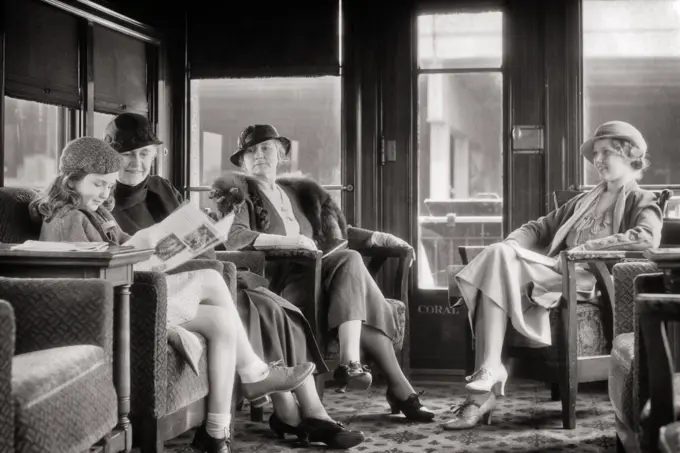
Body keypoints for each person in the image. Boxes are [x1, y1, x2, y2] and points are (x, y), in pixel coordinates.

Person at [30, 137, 315, 453]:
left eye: (109, 187)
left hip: (130, 296)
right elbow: (85, 280)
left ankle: (215, 433)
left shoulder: (96, 215)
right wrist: (138, 253)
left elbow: (133, 245)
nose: (104, 194)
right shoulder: (68, 219)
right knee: (209, 278)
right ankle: (253, 373)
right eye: (98, 184)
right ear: (70, 180)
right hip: (112, 306)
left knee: (221, 321)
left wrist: (180, 240)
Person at [103, 113, 364, 449]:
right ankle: (300, 416)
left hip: (194, 273)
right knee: (257, 305)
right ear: (111, 158)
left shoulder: (160, 188)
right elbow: (125, 257)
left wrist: (205, 232)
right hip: (157, 286)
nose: (136, 163)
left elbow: (184, 234)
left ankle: (305, 413)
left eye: (144, 154)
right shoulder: (101, 198)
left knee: (275, 307)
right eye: (127, 155)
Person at [441, 121, 663, 430]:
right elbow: (537, 228)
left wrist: (584, 248)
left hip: (587, 280)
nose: (597, 160)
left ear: (629, 154)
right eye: (595, 153)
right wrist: (511, 244)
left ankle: (482, 393)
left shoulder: (642, 199)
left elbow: (645, 238)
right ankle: (490, 371)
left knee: (494, 266)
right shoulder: (583, 201)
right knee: (498, 256)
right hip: (552, 273)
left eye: (606, 152)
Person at [210, 124, 434, 422]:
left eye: (266, 148)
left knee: (350, 258)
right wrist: (292, 241)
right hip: (277, 281)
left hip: (319, 276)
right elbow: (235, 236)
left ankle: (352, 363)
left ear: (282, 155)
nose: (259, 155)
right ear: (242, 162)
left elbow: (337, 234)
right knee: (352, 283)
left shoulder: (298, 193)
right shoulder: (236, 189)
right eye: (250, 151)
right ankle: (393, 384)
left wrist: (381, 238)